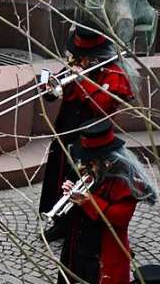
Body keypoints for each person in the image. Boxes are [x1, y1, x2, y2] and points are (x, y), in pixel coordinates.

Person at [55, 119, 156, 284]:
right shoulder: (90, 171)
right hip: (79, 247)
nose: (86, 165)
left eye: (93, 160)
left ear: (107, 159)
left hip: (105, 256)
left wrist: (88, 201)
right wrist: (71, 192)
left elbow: (119, 219)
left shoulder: (125, 181)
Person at [39, 26, 134, 243]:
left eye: (83, 57)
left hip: (91, 136)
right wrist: (50, 87)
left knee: (78, 178)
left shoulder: (114, 73)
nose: (78, 60)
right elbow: (57, 92)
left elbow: (102, 107)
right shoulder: (78, 63)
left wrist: (83, 82)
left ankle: (72, 224)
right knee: (58, 173)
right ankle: (58, 220)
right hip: (65, 129)